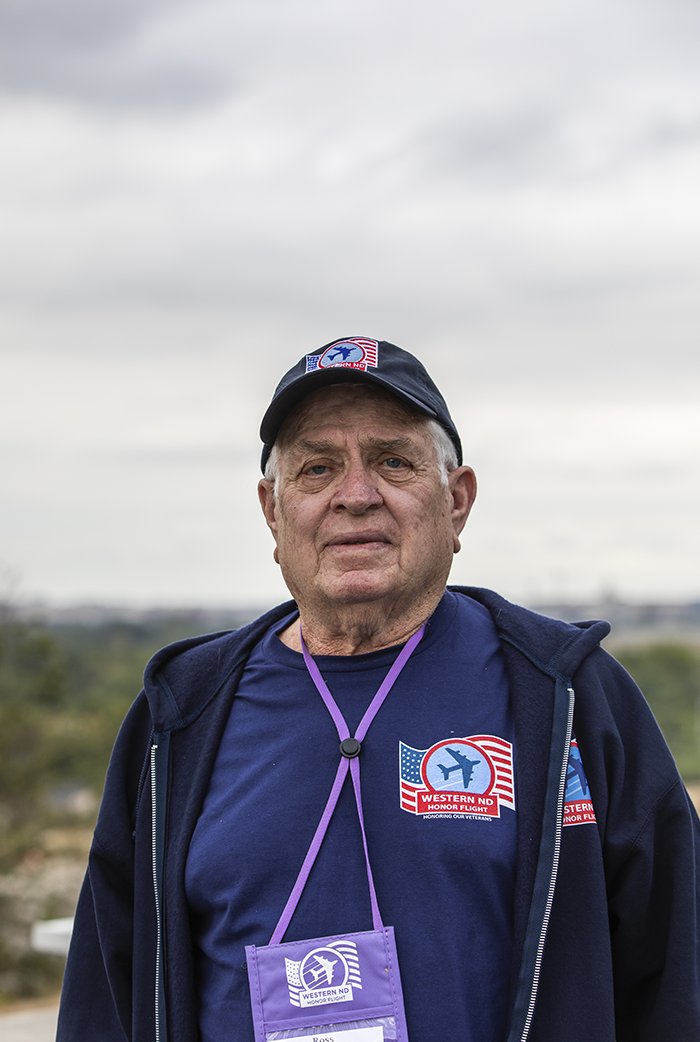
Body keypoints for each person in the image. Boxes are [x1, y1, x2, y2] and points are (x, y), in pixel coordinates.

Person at [57, 337, 700, 1042]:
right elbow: (106, 997)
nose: (355, 495)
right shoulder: (179, 713)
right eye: (317, 467)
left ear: (457, 502)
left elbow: (678, 974)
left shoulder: (568, 695)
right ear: (274, 511)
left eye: (393, 461)